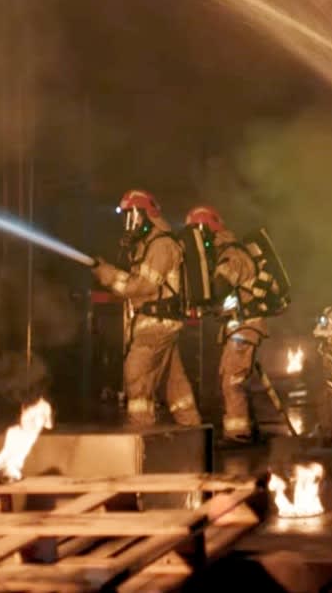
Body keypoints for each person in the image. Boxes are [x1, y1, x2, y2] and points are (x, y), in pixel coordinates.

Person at [92, 189, 201, 427]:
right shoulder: (150, 245)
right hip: (159, 321)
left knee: (136, 374)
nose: (128, 223)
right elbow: (139, 282)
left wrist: (109, 277)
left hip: (156, 322)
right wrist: (108, 271)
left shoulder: (161, 245)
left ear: (146, 215)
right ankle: (192, 429)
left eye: (132, 216)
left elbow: (143, 286)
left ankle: (140, 431)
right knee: (174, 385)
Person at [184, 205, 269, 444]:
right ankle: (248, 429)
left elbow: (219, 288)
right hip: (239, 326)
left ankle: (238, 433)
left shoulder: (231, 256)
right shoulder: (226, 254)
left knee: (232, 381)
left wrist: (199, 291)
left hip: (245, 327)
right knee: (234, 378)